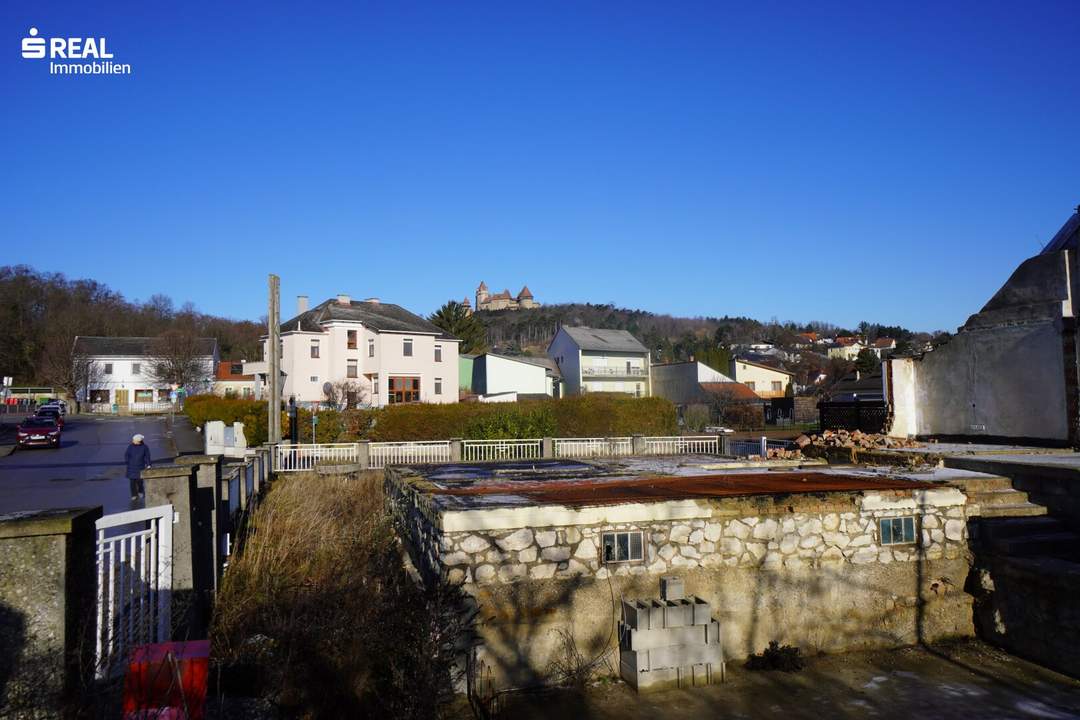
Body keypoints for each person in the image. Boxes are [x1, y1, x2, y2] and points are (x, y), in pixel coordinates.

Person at [125, 434, 152, 500]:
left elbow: (147, 456)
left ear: (138, 441)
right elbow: (126, 455)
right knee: (132, 482)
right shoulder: (130, 447)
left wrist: (148, 464)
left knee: (140, 481)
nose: (132, 441)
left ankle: (140, 491)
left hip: (140, 467)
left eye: (134, 440)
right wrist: (128, 462)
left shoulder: (144, 447)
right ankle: (133, 495)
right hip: (131, 467)